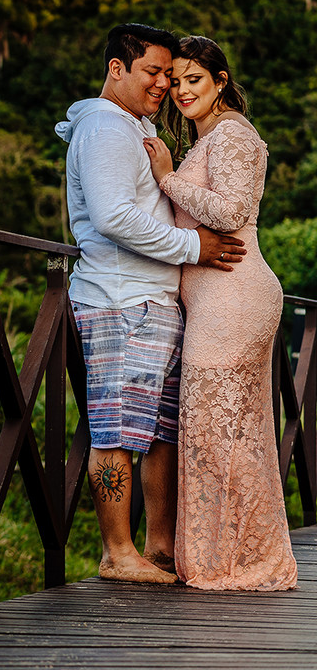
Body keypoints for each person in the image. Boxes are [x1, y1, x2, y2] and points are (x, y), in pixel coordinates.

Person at [57, 23, 247, 584]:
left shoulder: (132, 125)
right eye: (153, 72)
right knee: (116, 429)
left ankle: (159, 548)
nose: (164, 83)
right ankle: (118, 554)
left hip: (153, 300)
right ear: (117, 68)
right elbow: (113, 217)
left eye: (169, 73)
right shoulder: (105, 129)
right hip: (119, 300)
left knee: (161, 433)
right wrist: (193, 246)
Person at [143, 36, 298, 590]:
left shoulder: (232, 134)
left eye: (194, 80)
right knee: (226, 433)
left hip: (234, 298)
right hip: (219, 300)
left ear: (220, 81)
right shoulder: (209, 137)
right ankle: (233, 556)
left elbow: (232, 212)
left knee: (218, 432)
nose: (182, 91)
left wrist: (167, 179)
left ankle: (234, 562)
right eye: (176, 82)